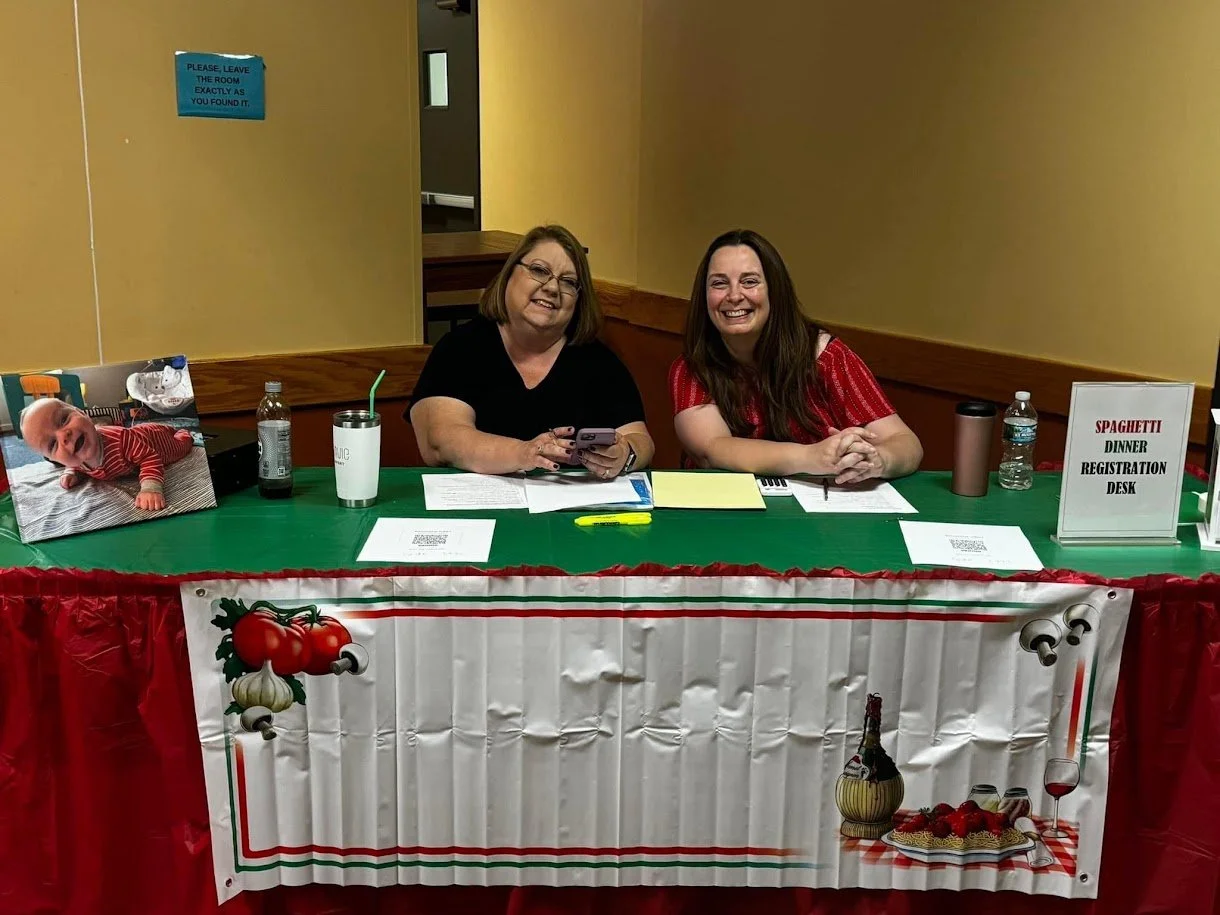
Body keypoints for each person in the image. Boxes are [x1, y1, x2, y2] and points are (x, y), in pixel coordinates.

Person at [669, 229, 922, 483]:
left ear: (774, 291)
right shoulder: (692, 368)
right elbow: (712, 449)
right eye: (719, 283)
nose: (734, 296)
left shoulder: (825, 356)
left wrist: (877, 460)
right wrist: (813, 457)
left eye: (750, 282)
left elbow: (905, 442)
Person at [409, 224, 655, 477]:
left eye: (568, 282)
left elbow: (640, 440)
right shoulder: (460, 348)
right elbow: (440, 442)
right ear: (509, 274)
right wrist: (524, 453)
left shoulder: (598, 361)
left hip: (568, 501)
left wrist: (625, 454)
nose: (552, 288)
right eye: (539, 270)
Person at [19, 397, 196, 511]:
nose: (63, 436)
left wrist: (150, 488)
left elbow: (149, 457)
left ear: (81, 412)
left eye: (64, 420)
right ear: (53, 459)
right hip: (139, 438)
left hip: (155, 440)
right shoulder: (75, 459)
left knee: (180, 446)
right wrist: (72, 473)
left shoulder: (122, 440)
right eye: (52, 444)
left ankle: (185, 433)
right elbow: (75, 465)